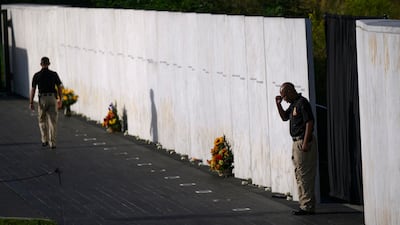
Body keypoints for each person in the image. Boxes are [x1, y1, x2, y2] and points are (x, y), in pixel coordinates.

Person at [275, 82, 317, 215]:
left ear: (290, 92)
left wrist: (305, 142)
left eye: (284, 96)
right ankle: (304, 204)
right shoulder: (294, 104)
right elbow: (284, 117)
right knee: (299, 174)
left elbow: (309, 122)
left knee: (305, 175)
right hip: (296, 143)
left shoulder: (302, 103)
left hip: (303, 142)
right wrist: (278, 104)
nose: (284, 99)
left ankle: (307, 206)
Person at [29, 57, 63, 149]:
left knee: (42, 119)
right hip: (52, 98)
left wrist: (31, 102)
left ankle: (45, 140)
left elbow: (33, 89)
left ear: (41, 64)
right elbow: (59, 87)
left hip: (42, 99)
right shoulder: (54, 74)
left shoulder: (37, 75)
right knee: (53, 121)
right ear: (49, 64)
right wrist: (61, 99)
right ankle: (53, 143)